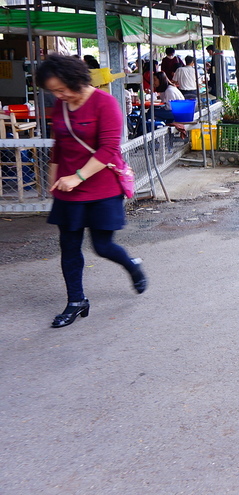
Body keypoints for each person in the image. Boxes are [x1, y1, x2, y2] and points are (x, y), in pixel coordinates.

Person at [36, 55, 146, 329]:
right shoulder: (61, 105)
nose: (59, 95)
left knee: (102, 246)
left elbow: (109, 149)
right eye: (53, 91)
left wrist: (78, 176)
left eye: (62, 89)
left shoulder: (105, 103)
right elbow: (59, 145)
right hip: (67, 188)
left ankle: (132, 265)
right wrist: (54, 178)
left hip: (102, 186)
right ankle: (76, 301)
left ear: (77, 80)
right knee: (69, 247)